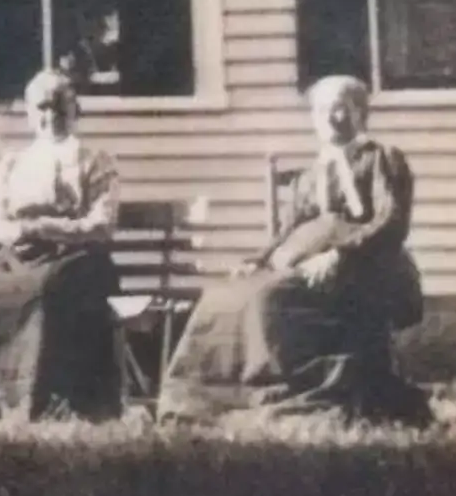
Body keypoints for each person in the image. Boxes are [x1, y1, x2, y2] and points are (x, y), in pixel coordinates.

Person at [160, 74, 431, 425]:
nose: (331, 118)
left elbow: (391, 222)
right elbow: (287, 230)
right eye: (322, 110)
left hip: (367, 266)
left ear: (361, 113)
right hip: (307, 264)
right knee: (222, 297)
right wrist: (256, 262)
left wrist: (340, 254)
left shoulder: (382, 159)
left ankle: (287, 390)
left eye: (340, 108)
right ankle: (205, 401)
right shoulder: (312, 174)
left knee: (268, 300)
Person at [0, 70, 123, 421]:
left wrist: (40, 226)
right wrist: (9, 234)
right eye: (42, 108)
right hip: (15, 253)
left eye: (59, 106)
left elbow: (101, 226)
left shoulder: (96, 161)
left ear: (75, 110)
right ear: (30, 114)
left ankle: (34, 401)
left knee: (40, 294)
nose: (50, 116)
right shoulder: (14, 163)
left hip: (75, 255)